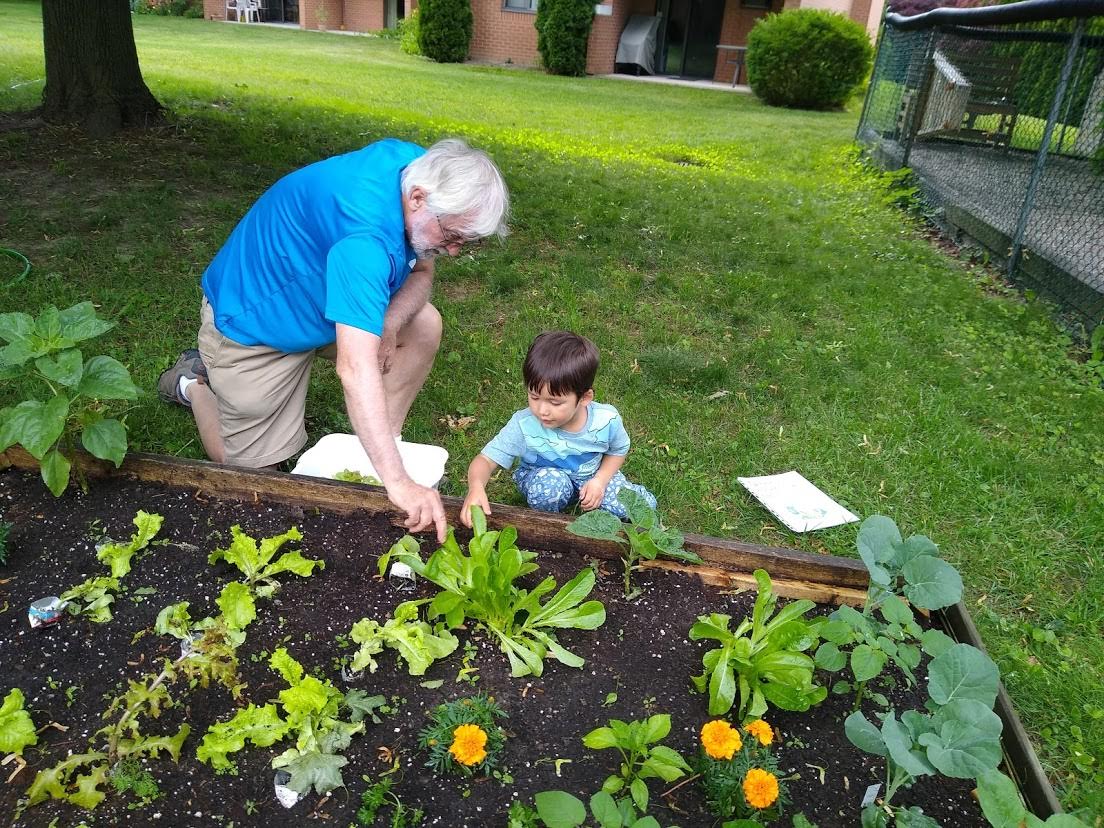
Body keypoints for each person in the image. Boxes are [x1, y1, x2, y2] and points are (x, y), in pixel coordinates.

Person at [157, 138, 509, 543]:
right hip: (256, 324)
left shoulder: (422, 170)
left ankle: (377, 448)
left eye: (466, 242)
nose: (453, 249)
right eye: (452, 236)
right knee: (253, 474)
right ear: (416, 199)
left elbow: (421, 273)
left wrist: (390, 324)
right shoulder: (364, 241)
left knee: (422, 324)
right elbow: (355, 368)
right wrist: (400, 483)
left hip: (328, 300)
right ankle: (194, 384)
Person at [459, 330, 656, 527]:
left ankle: (616, 495)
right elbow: (485, 460)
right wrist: (475, 487)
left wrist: (600, 481)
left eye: (555, 402)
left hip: (591, 477)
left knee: (640, 508)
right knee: (548, 488)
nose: (542, 410)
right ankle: (551, 522)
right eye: (534, 397)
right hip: (545, 479)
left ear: (585, 398)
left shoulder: (606, 421)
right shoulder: (524, 424)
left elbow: (618, 450)